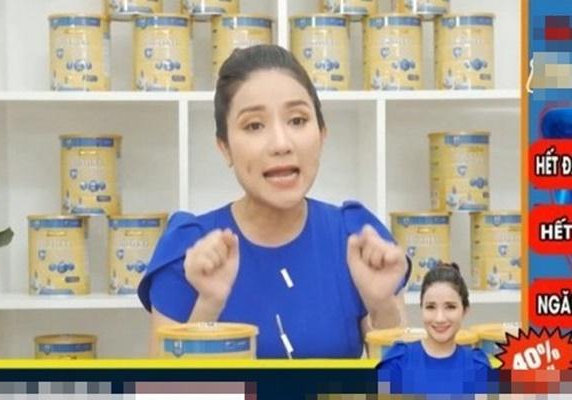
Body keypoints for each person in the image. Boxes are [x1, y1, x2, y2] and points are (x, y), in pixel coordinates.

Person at [138, 44, 411, 358]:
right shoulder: (187, 251)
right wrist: (208, 306)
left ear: (322, 134)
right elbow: (165, 384)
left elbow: (401, 379)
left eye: (297, 120)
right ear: (224, 147)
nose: (281, 144)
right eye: (254, 126)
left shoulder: (356, 238)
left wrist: (383, 306)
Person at [377, 263, 492, 394]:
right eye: (431, 307)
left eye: (450, 307)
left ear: (464, 311)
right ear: (421, 309)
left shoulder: (478, 367)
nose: (439, 318)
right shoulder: (397, 363)